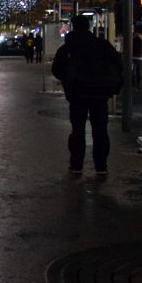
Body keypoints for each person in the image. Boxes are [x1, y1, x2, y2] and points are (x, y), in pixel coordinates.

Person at [51, 14, 122, 176]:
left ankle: (76, 165)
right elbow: (117, 63)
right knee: (100, 130)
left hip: (77, 93)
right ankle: (101, 166)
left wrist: (68, 80)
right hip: (99, 93)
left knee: (78, 130)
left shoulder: (68, 47)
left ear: (73, 26)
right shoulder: (101, 44)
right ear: (89, 26)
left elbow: (57, 69)